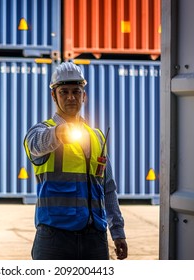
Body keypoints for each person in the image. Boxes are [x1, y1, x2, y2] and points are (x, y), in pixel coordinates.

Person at [23, 61, 128, 260]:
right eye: (64, 92)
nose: (71, 97)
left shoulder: (97, 137)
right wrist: (58, 133)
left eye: (76, 91)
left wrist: (117, 231)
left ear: (84, 96)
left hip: (95, 238)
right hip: (54, 238)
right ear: (54, 95)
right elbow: (35, 145)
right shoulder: (41, 131)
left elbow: (108, 188)